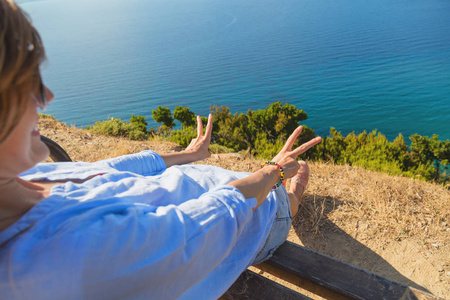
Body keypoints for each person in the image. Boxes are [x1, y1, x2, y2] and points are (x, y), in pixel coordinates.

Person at [0, 0, 322, 299]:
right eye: (25, 84)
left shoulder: (23, 180)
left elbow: (110, 171)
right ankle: (294, 199)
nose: (47, 95)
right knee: (282, 204)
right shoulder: (60, 254)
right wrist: (273, 171)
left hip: (213, 180)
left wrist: (189, 155)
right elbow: (195, 234)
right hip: (253, 218)